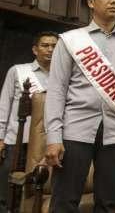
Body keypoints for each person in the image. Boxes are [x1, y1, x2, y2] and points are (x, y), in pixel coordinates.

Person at [44, 0, 115, 212]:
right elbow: (57, 90)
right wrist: (53, 136)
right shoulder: (71, 40)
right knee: (64, 201)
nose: (114, 1)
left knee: (110, 202)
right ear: (91, 2)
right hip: (76, 128)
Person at [0, 31, 57, 211]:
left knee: (38, 188)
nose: (50, 49)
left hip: (48, 143)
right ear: (35, 49)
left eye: (54, 46)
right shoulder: (18, 71)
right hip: (17, 141)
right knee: (10, 189)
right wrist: (0, 138)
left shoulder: (63, 76)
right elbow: (4, 105)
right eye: (45, 45)